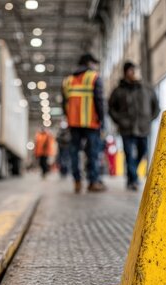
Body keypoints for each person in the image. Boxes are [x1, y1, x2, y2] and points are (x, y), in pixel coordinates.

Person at [108, 62, 160, 191]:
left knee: (143, 152)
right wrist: (119, 120)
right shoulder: (118, 91)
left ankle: (132, 175)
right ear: (125, 73)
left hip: (143, 127)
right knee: (129, 154)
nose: (133, 73)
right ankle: (134, 180)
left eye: (134, 70)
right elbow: (111, 108)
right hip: (126, 128)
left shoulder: (147, 88)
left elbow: (156, 106)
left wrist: (149, 120)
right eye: (130, 70)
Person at [62, 53, 106, 193]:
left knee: (74, 152)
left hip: (73, 122)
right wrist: (102, 119)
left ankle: (77, 181)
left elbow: (64, 103)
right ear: (88, 63)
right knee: (93, 152)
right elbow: (99, 100)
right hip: (91, 122)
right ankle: (93, 182)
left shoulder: (68, 80)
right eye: (93, 63)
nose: (94, 66)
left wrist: (69, 117)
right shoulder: (94, 77)